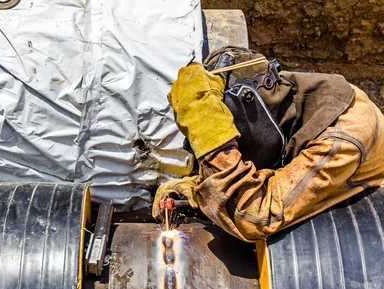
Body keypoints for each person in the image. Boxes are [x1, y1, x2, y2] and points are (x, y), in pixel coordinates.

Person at [152, 46, 384, 242]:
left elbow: (257, 217)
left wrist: (214, 143)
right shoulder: (277, 104)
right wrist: (197, 187)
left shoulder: (342, 139)